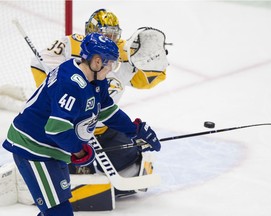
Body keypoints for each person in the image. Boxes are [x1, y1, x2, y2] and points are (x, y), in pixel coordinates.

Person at [2, 32, 161, 216]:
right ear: (96, 61)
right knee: (58, 211)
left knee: (55, 209)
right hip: (34, 148)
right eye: (109, 63)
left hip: (53, 149)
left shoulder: (96, 80)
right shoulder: (71, 84)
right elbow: (57, 130)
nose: (111, 68)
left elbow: (108, 111)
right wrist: (80, 151)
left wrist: (135, 130)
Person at [30, 9, 169, 197]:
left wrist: (155, 65)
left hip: (103, 125)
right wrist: (58, 92)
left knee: (132, 172)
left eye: (113, 34)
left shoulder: (124, 53)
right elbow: (39, 63)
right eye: (104, 33)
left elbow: (143, 81)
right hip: (68, 126)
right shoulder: (72, 44)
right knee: (68, 179)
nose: (109, 39)